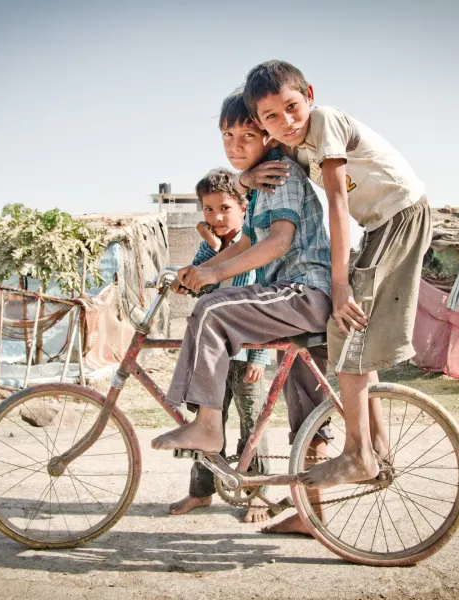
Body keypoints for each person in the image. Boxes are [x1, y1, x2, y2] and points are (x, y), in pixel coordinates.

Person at [240, 60, 432, 489]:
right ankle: (377, 447)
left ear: (308, 94)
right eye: (271, 116)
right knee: (353, 335)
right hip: (382, 223)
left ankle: (358, 454)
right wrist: (245, 177)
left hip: (400, 215)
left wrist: (341, 287)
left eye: (292, 107)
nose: (286, 122)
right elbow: (259, 161)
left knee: (344, 325)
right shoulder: (294, 143)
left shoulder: (324, 121)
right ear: (260, 121)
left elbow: (338, 207)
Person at [152, 89, 334, 534]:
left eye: (247, 134)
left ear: (269, 136)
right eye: (227, 135)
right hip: (298, 299)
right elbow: (248, 243)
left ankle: (208, 425)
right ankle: (313, 516)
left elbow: (277, 243)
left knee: (212, 312)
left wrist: (213, 278)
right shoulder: (260, 183)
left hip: (302, 292)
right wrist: (198, 270)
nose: (235, 145)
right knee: (305, 407)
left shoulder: (279, 175)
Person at [168, 167, 272, 524]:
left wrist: (260, 354)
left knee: (252, 423)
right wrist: (207, 251)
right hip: (214, 354)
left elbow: (263, 302)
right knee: (207, 422)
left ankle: (257, 493)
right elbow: (195, 281)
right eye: (208, 210)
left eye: (224, 208)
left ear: (244, 207)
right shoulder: (208, 245)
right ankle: (202, 492)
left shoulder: (257, 244)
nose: (216, 217)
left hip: (247, 352)